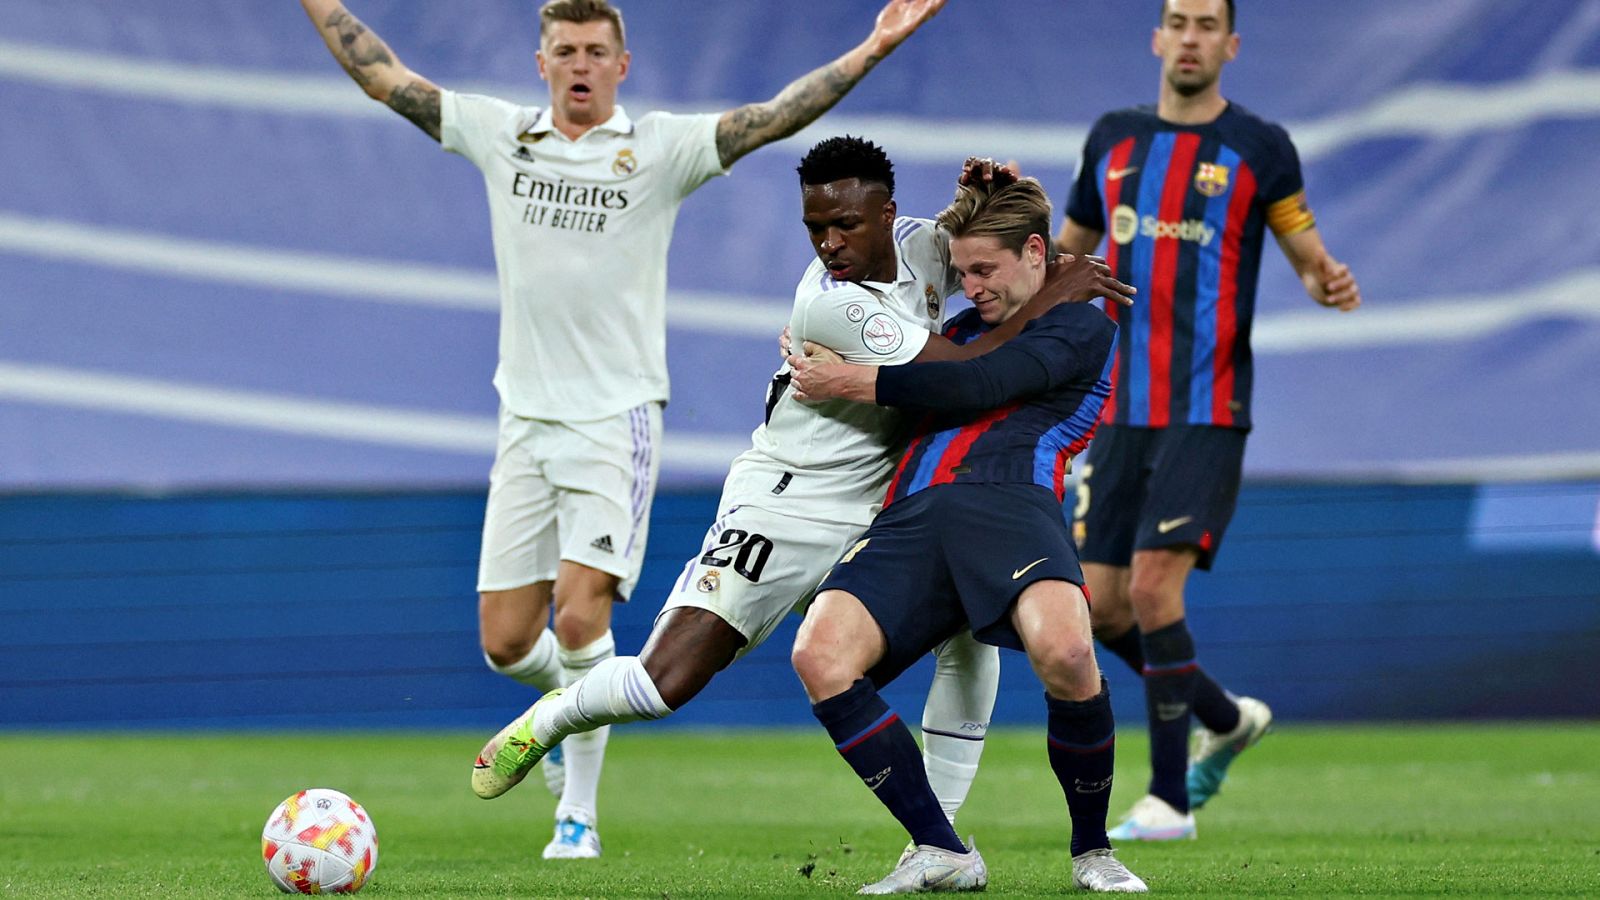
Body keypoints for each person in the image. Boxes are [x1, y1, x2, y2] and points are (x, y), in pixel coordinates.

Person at [298, 0, 949, 858]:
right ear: (542, 64)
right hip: (523, 416)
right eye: (565, 50)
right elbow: (387, 80)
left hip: (617, 417)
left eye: (595, 50)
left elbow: (773, 117)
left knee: (580, 621)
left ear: (621, 64)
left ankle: (577, 815)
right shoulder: (502, 137)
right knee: (506, 644)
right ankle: (568, 703)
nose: (580, 63)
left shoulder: (658, 150)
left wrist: (874, 46)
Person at [467, 137, 1134, 845]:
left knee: (970, 636)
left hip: (887, 499)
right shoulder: (831, 306)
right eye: (816, 228)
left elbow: (1004, 257)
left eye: (846, 224)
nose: (830, 243)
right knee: (666, 682)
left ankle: (938, 845)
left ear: (888, 215)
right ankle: (554, 716)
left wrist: (1003, 201)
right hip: (790, 498)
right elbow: (965, 371)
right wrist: (1058, 291)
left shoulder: (931, 246)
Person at [786, 173, 1147, 894]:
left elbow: (982, 384)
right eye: (962, 270)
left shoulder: (1083, 327)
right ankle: (940, 848)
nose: (970, 285)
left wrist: (856, 379)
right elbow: (928, 368)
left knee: (1069, 652)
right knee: (819, 656)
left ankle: (1093, 851)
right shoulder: (949, 337)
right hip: (912, 510)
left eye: (985, 269)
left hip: (1012, 502)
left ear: (1036, 253)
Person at [1053, 0, 1363, 841]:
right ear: (1158, 37)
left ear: (1231, 44)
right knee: (1103, 608)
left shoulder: (1261, 148)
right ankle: (1224, 719)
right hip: (1116, 408)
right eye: (1179, 21)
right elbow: (1068, 254)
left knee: (1154, 587)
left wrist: (1326, 280)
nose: (1190, 38)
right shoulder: (1112, 139)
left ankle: (1170, 801)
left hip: (1206, 405)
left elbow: (1307, 255)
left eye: (1206, 25)